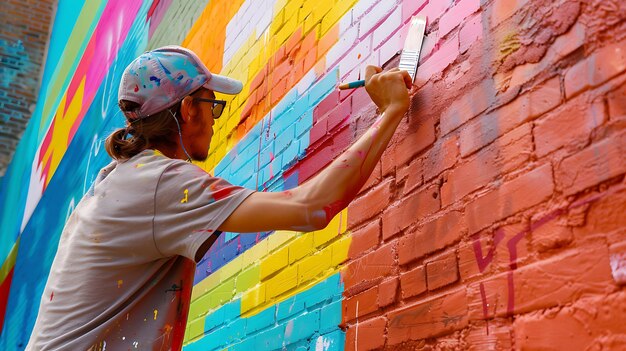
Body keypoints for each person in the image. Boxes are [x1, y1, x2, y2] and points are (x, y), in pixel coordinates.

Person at [25, 45, 413, 350]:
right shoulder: (161, 183)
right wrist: (392, 110)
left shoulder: (119, 179)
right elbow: (309, 208)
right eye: (213, 105)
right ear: (189, 109)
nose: (215, 119)